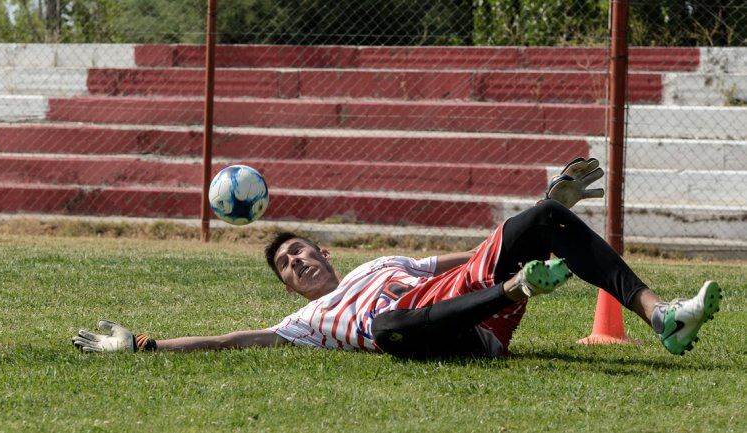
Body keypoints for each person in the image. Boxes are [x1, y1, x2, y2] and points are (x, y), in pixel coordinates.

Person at [72, 158, 722, 358]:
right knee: (383, 330)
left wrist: (539, 209)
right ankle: (518, 288)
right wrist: (143, 346)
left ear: (325, 252)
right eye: (286, 267)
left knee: (547, 219)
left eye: (299, 252)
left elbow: (469, 255)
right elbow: (231, 338)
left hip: (462, 295)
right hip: (437, 332)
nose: (296, 262)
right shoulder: (308, 321)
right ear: (293, 289)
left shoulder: (380, 262)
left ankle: (663, 314)